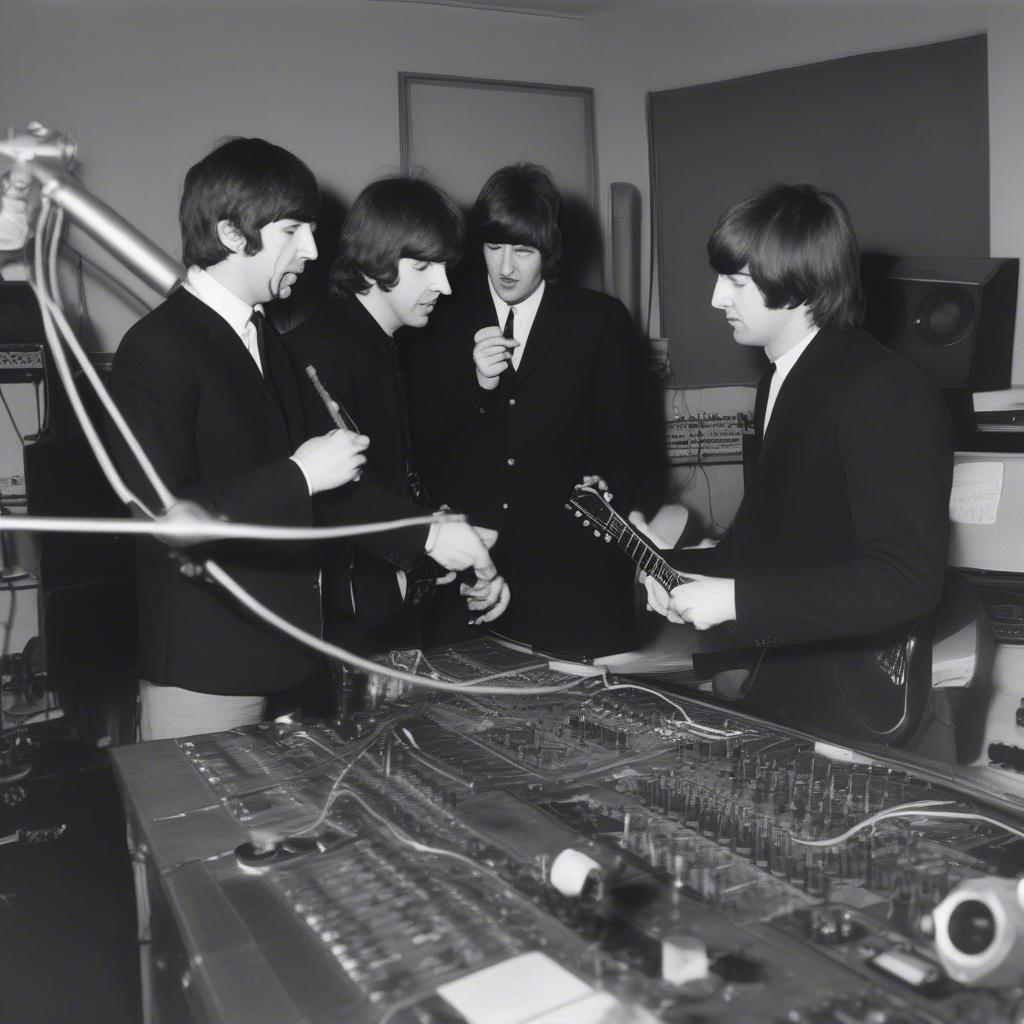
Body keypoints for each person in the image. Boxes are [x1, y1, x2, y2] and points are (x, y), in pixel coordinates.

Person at [644, 182, 953, 738]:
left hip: (850, 708)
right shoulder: (779, 381)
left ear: (798, 287)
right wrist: (678, 572)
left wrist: (735, 599)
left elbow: (906, 580)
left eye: (736, 282)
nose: (716, 299)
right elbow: (765, 546)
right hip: (783, 684)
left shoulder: (886, 390)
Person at [107, 138, 369, 740]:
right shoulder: (156, 347)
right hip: (207, 674)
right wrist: (298, 476)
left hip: (286, 660)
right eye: (292, 230)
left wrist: (428, 535)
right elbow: (161, 517)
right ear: (231, 233)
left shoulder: (264, 336)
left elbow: (327, 476)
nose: (312, 248)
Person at [409, 163, 639, 659]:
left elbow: (626, 446)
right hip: (471, 575)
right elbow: (418, 449)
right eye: (493, 248)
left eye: (523, 251)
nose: (506, 268)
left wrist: (607, 483)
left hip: (576, 579)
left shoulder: (599, 321)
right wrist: (475, 387)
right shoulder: (436, 316)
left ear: (549, 252)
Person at [286, 177, 509, 657]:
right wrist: (429, 539)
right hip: (340, 636)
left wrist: (447, 538)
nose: (443, 286)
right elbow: (335, 503)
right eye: (423, 267)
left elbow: (394, 484)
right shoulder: (316, 351)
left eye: (445, 267)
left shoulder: (391, 347)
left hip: (391, 618)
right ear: (373, 260)